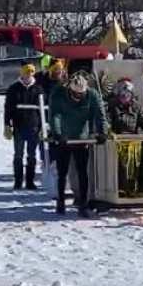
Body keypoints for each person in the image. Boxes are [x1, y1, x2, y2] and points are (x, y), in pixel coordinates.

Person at [49, 72, 108, 217]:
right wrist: (57, 133)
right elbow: (55, 115)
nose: (79, 96)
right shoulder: (60, 95)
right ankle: (61, 202)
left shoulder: (92, 95)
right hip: (64, 136)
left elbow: (100, 115)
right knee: (62, 172)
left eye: (81, 94)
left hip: (81, 138)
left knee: (82, 172)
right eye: (76, 94)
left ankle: (83, 204)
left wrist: (102, 132)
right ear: (70, 90)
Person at [108, 79, 143, 196]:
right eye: (122, 95)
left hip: (134, 140)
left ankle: (140, 189)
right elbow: (107, 122)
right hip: (117, 141)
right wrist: (110, 132)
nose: (124, 97)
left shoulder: (136, 107)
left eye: (127, 95)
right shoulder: (112, 106)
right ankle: (122, 188)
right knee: (121, 162)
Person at [4, 64, 43, 190]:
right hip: (19, 126)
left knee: (32, 155)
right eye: (26, 72)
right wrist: (7, 124)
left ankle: (30, 181)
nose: (28, 75)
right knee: (18, 155)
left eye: (31, 72)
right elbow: (8, 108)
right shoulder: (14, 89)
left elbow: (43, 110)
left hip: (34, 126)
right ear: (22, 74)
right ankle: (18, 181)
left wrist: (43, 126)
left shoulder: (38, 89)